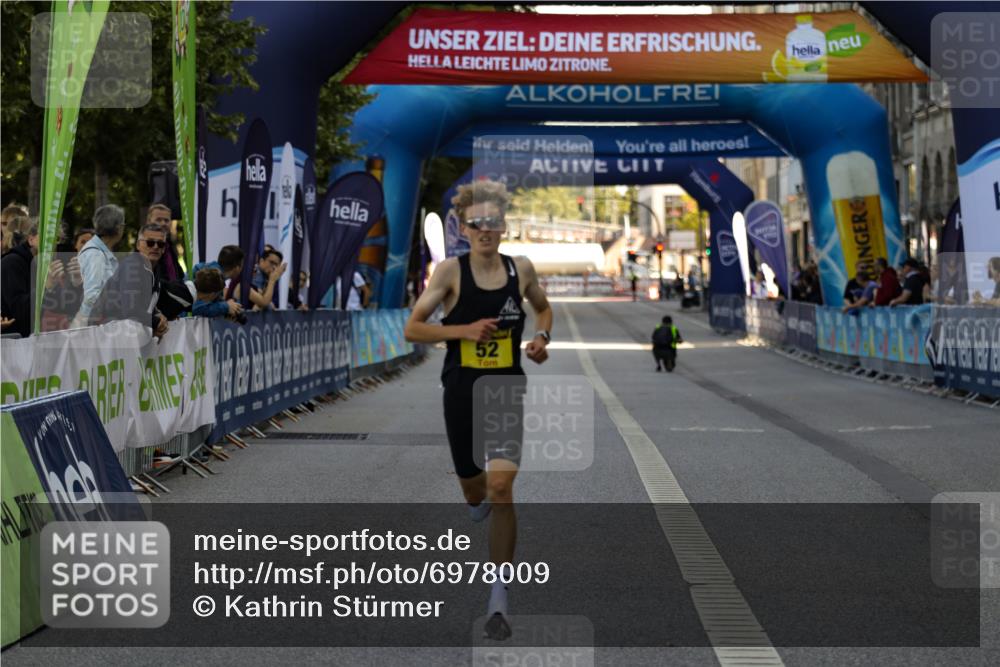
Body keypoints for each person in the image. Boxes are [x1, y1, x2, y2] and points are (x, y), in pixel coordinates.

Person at [403, 179, 552, 641]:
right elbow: (413, 329)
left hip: (505, 388)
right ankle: (475, 497)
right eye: (477, 223)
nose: (486, 229)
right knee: (475, 490)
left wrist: (541, 338)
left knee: (502, 487)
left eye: (493, 221)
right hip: (461, 389)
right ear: (464, 229)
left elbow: (543, 310)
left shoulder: (520, 269)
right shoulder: (450, 273)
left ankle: (498, 595)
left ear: (504, 226)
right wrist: (462, 331)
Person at [89, 222, 168, 338]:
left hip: (123, 332)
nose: (155, 247)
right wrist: (157, 323)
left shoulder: (155, 269)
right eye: (150, 242)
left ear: (164, 249)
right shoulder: (132, 265)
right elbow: (131, 310)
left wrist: (159, 315)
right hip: (105, 332)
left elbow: (146, 303)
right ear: (138, 245)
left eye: (160, 244)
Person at [75, 204, 126, 326]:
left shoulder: (101, 252)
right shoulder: (95, 254)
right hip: (96, 326)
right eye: (123, 224)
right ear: (119, 228)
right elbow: (92, 296)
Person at [0, 219, 39, 337]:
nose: (53, 244)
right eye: (47, 239)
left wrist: (76, 282)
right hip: (14, 342)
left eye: (58, 239)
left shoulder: (41, 265)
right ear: (31, 239)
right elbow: (21, 310)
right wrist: (46, 288)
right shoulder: (12, 263)